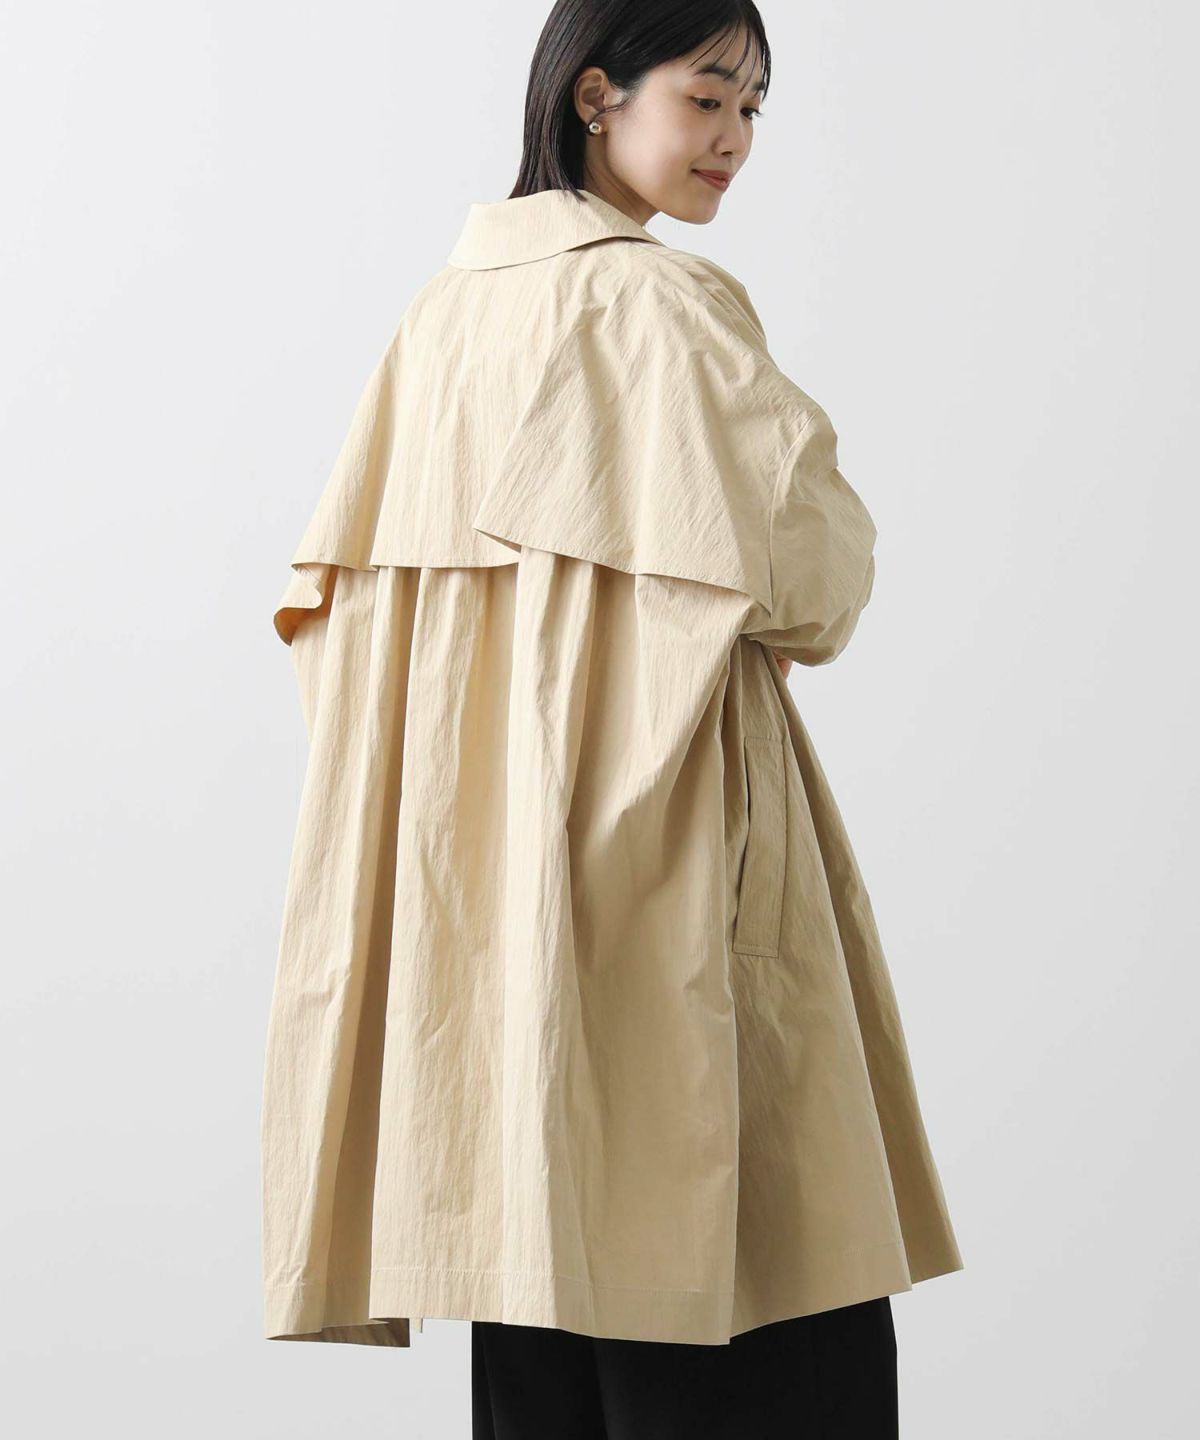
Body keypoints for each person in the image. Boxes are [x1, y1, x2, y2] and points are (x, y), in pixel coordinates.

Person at [260, 2, 964, 1434]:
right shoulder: (657, 307)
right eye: (708, 97)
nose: (736, 139)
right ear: (596, 95)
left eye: (753, 109)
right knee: (753, 1294)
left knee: (547, 1321)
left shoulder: (437, 324)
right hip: (670, 903)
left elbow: (345, 636)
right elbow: (818, 573)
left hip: (489, 947)